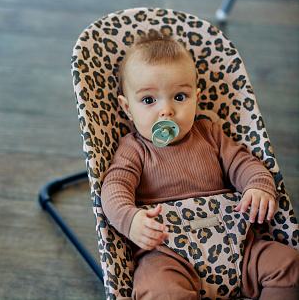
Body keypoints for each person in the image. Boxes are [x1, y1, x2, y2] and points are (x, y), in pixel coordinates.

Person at [101, 31, 299, 300]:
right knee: (158, 289)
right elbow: (113, 188)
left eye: (179, 97)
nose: (166, 111)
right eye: (149, 100)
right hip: (169, 254)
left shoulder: (210, 134)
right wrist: (131, 219)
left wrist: (258, 185)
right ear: (127, 108)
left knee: (288, 265)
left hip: (239, 245)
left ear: (196, 96)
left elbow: (243, 163)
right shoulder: (134, 148)